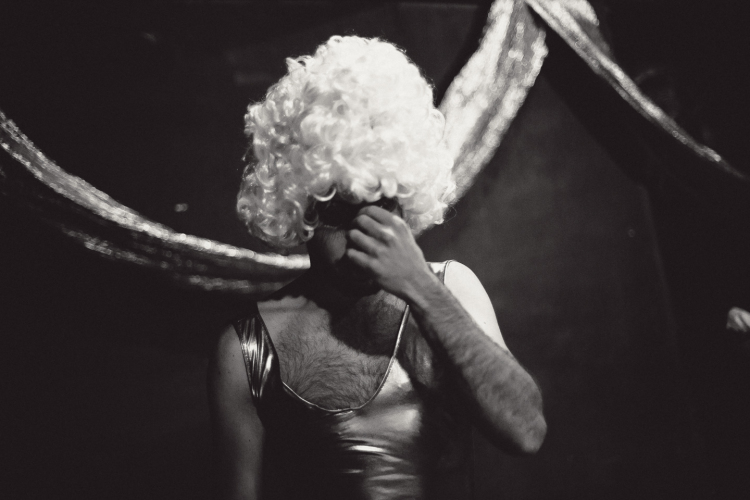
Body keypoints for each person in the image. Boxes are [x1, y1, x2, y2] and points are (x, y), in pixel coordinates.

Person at [208, 35, 546, 500]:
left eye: (382, 208)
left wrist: (421, 288)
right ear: (300, 210)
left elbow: (526, 432)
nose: (364, 237)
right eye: (340, 214)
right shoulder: (244, 350)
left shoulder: (449, 288)